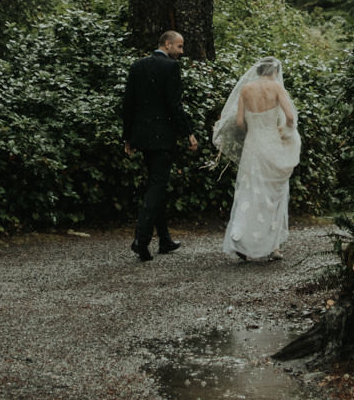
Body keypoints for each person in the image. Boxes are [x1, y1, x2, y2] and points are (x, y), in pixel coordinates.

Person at [121, 29, 198, 262]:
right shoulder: (171, 68)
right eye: (179, 47)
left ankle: (164, 239)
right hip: (162, 137)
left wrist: (128, 137)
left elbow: (128, 103)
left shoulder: (137, 66)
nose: (182, 52)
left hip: (143, 137)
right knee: (156, 187)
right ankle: (141, 240)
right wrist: (189, 133)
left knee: (156, 185)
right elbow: (175, 105)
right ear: (166, 44)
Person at [213, 57, 300, 262]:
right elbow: (290, 116)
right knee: (274, 193)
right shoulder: (276, 88)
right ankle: (274, 246)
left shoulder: (246, 89)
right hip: (272, 145)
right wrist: (287, 133)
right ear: (275, 72)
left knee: (249, 192)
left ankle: (241, 240)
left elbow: (240, 121)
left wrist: (253, 129)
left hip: (253, 146)